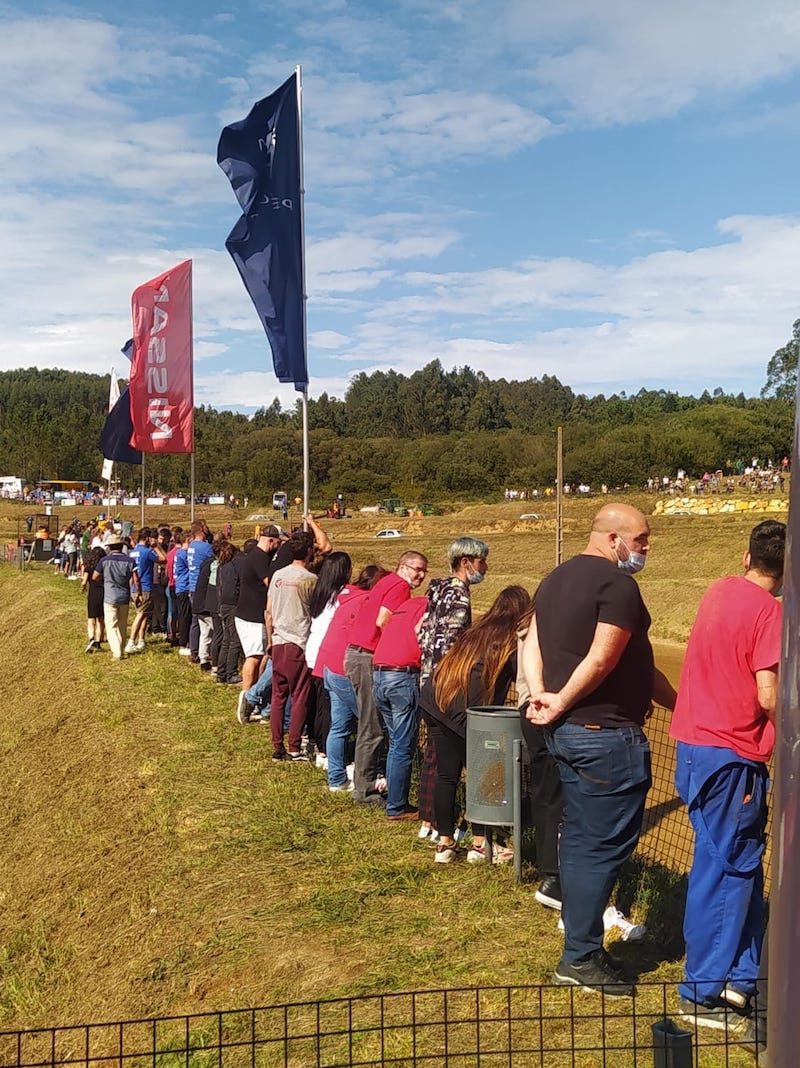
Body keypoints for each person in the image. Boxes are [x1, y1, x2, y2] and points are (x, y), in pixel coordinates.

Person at [522, 502, 675, 997]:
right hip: (604, 737)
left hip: (567, 731)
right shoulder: (617, 586)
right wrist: (559, 697)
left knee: (583, 839)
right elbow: (604, 655)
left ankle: (580, 944)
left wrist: (540, 693)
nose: (646, 548)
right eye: (643, 539)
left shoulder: (554, 580)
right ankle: (581, 956)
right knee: (601, 847)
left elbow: (533, 643)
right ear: (614, 538)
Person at [670, 520, 784, 1052]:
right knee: (729, 866)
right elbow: (768, 694)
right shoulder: (771, 612)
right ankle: (701, 992)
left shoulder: (719, 590)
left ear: (746, 556)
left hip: (696, 746)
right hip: (733, 753)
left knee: (731, 865)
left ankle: (740, 977)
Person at [422, 585, 533, 863]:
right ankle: (482, 844)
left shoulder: (476, 631)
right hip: (464, 712)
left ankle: (445, 843)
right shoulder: (511, 640)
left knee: (447, 775)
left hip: (434, 700)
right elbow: (525, 678)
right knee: (483, 776)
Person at [417, 537, 489, 837]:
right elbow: (451, 643)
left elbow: (421, 632)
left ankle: (432, 824)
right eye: (482, 560)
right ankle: (464, 831)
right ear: (466, 562)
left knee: (436, 759)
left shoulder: (438, 591)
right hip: (447, 687)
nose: (485, 566)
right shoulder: (459, 596)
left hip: (426, 681)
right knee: (454, 763)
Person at [345, 551, 429, 806]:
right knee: (372, 727)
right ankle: (365, 790)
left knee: (372, 723)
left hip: (357, 653)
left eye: (424, 570)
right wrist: (397, 644)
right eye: (417, 569)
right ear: (403, 567)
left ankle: (369, 781)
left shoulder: (386, 581)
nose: (421, 575)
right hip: (370, 655)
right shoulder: (400, 587)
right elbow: (385, 621)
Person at [316, 565, 389, 793]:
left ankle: (337, 778)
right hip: (347, 669)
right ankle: (369, 775)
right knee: (371, 724)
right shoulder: (368, 603)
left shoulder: (347, 599)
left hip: (329, 665)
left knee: (339, 725)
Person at [372, 591, 429, 820]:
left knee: (395, 741)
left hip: (379, 674)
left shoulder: (406, 606)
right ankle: (397, 805)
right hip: (403, 677)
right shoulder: (429, 608)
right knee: (403, 745)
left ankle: (393, 794)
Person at [267, 532, 317, 761]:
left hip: (278, 641)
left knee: (278, 696)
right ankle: (294, 746)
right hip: (298, 642)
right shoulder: (310, 579)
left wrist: (270, 639)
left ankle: (277, 746)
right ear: (309, 551)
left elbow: (268, 611)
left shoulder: (278, 575)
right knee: (299, 695)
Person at [305, 552, 354, 768]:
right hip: (328, 654)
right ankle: (326, 751)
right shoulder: (342, 595)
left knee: (318, 704)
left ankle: (317, 744)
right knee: (328, 706)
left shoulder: (320, 592)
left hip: (313, 652)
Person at [234, 526, 282, 715]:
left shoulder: (254, 555)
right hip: (251, 616)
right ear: (270, 540)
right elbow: (270, 584)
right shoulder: (260, 558)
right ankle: (246, 697)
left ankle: (253, 696)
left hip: (249, 614)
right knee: (254, 657)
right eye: (277, 543)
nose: (277, 547)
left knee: (260, 656)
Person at [93, 538, 141, 660]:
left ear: (110, 547)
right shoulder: (130, 561)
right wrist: (139, 593)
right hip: (124, 596)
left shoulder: (104, 561)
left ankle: (117, 651)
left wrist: (105, 580)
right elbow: (136, 579)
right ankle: (121, 647)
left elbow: (95, 576)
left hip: (110, 596)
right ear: (121, 546)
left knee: (111, 625)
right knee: (122, 625)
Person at [127, 528, 166, 653]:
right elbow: (163, 559)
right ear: (148, 538)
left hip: (134, 587)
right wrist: (156, 547)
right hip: (145, 587)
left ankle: (141, 640)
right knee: (141, 614)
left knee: (145, 614)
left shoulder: (133, 552)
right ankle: (131, 641)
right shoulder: (147, 552)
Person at [82, 543, 106, 652]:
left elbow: (84, 581)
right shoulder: (104, 566)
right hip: (103, 592)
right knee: (101, 619)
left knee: (91, 619)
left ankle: (91, 638)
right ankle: (98, 641)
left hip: (92, 593)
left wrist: (82, 588)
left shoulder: (89, 566)